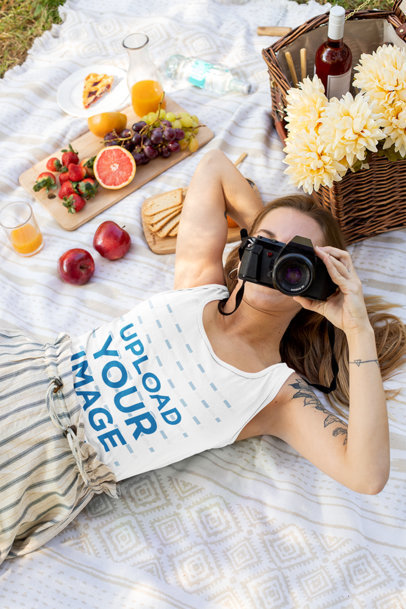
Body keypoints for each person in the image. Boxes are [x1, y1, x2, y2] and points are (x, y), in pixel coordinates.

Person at [1, 150, 405, 564]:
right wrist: (271, 244)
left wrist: (355, 327)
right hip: (22, 371)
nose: (278, 259)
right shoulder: (198, 283)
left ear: (321, 284)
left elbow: (367, 474)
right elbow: (213, 167)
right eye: (265, 245)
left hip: (39, 466)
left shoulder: (277, 395)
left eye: (296, 260)